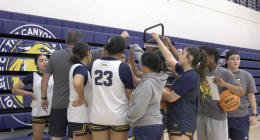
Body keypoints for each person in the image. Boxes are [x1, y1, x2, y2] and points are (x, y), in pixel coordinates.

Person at [150, 33, 207, 140]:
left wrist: (156, 85)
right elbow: (170, 57)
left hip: (182, 120)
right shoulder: (184, 71)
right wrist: (158, 40)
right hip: (177, 118)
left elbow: (171, 97)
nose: (179, 55)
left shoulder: (190, 76)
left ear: (189, 58)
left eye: (182, 54)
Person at [89, 36, 134, 140]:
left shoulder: (94, 64)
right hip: (119, 117)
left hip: (98, 116)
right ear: (122, 51)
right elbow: (130, 95)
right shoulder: (123, 67)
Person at [197, 47, 245, 140]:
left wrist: (225, 84)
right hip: (201, 115)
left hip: (216, 117)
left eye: (203, 57)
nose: (201, 59)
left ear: (211, 57)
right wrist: (170, 45)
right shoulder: (201, 69)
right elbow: (180, 60)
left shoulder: (225, 73)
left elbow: (241, 91)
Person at [125, 50, 168, 140]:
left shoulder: (146, 84)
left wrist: (128, 118)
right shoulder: (157, 78)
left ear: (143, 66)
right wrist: (135, 50)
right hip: (157, 125)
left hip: (146, 126)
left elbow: (139, 109)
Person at [12, 54, 53, 140]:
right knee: (37, 137)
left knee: (55, 137)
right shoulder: (32, 76)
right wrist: (30, 94)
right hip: (38, 110)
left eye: (46, 60)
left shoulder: (54, 75)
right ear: (36, 64)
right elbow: (15, 89)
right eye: (41, 61)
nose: (44, 62)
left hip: (53, 110)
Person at [225, 50, 258, 140]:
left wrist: (254, 114)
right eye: (232, 59)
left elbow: (251, 96)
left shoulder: (247, 76)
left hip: (241, 117)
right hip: (222, 116)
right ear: (226, 61)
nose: (236, 61)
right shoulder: (220, 75)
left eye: (238, 59)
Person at [67, 42, 93, 140]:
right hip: (81, 116)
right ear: (88, 53)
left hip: (75, 116)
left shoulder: (75, 67)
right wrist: (81, 98)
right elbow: (77, 82)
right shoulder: (80, 68)